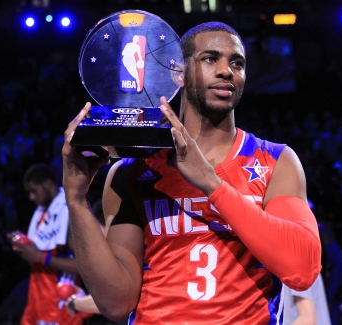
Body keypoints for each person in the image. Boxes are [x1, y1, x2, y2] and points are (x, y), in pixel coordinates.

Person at [62, 21, 322, 324]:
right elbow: (116, 303)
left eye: (237, 63)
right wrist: (76, 201)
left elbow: (303, 270)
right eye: (211, 59)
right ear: (177, 73)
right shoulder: (131, 173)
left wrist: (212, 184)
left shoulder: (276, 161)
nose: (227, 70)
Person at [9, 163, 83, 325]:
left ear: (48, 184)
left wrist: (40, 257)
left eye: (33, 191)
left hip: (60, 304)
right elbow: (41, 249)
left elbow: (83, 266)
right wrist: (23, 243)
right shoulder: (42, 211)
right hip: (38, 298)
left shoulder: (68, 213)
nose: (31, 197)